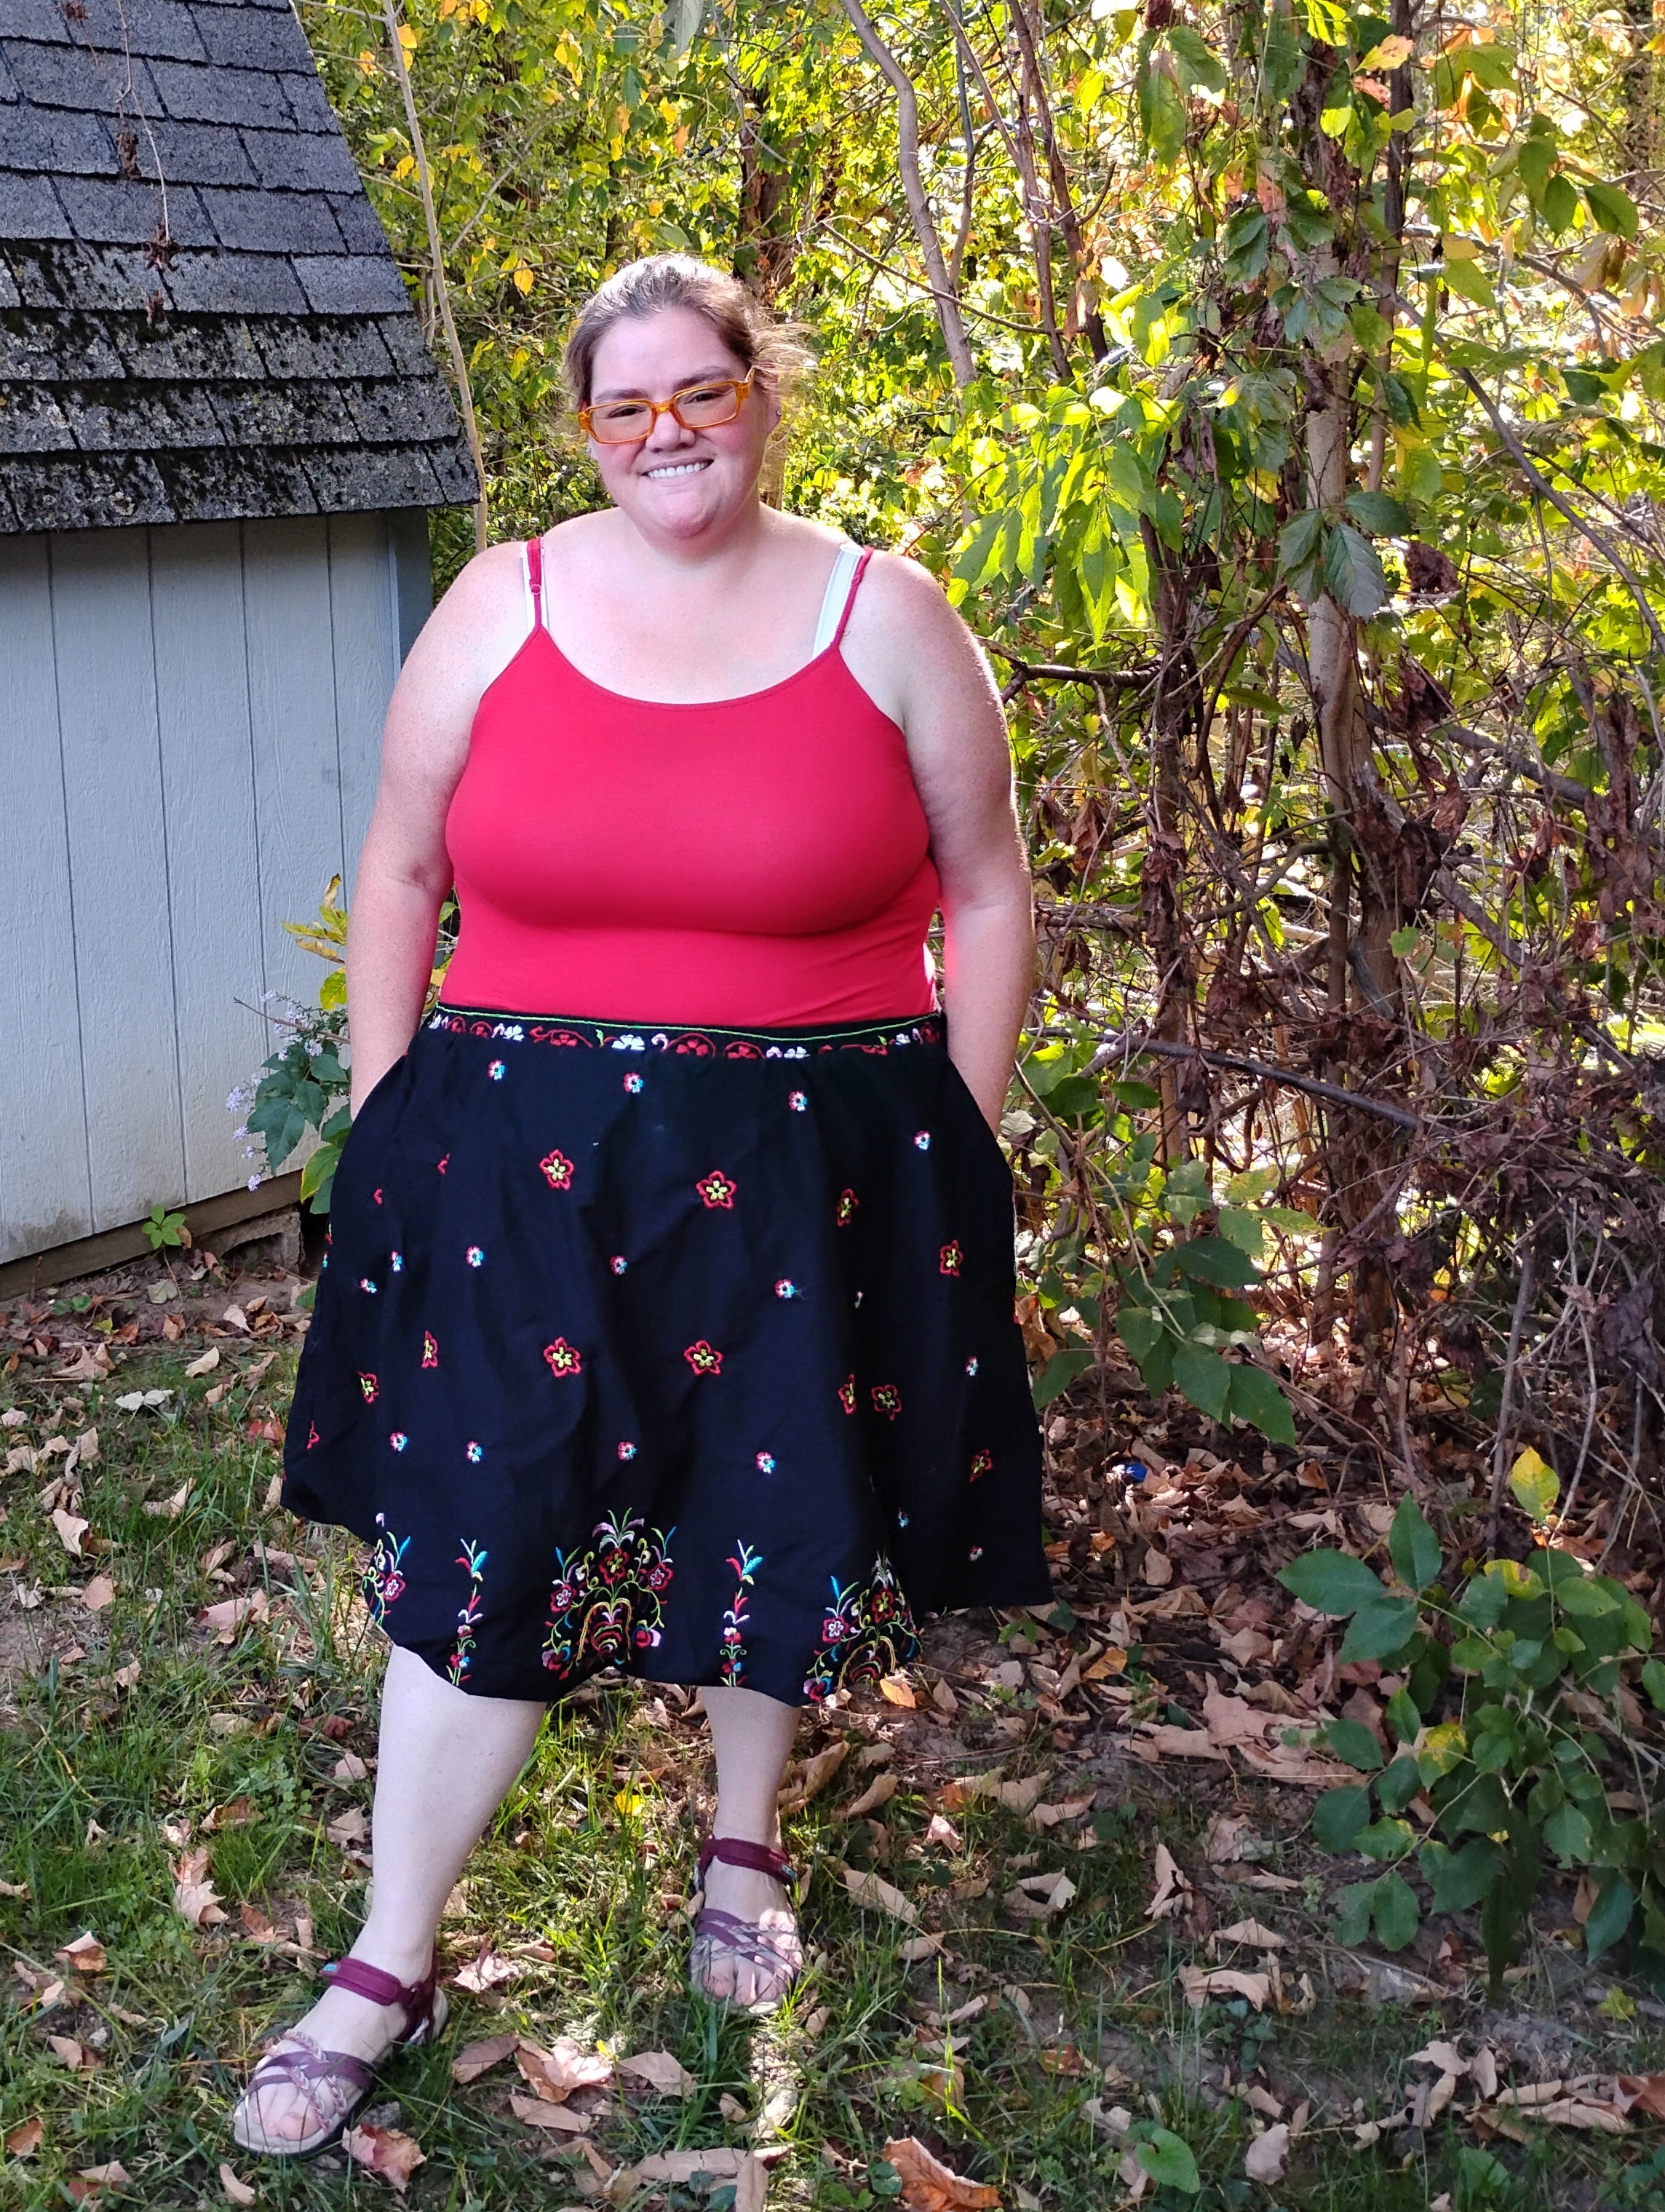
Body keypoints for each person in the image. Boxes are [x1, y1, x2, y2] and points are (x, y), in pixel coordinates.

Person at [231, 253, 1049, 2160]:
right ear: (586, 430)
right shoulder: (495, 607)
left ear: (763, 394)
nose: (668, 435)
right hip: (518, 1162)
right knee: (484, 1528)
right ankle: (385, 1956)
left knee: (778, 1493)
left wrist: (958, 1136)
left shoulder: (887, 615)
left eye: (703, 393)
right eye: (627, 407)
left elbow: (990, 890)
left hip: (805, 1154)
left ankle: (744, 1851)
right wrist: (388, 1128)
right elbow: (401, 866)